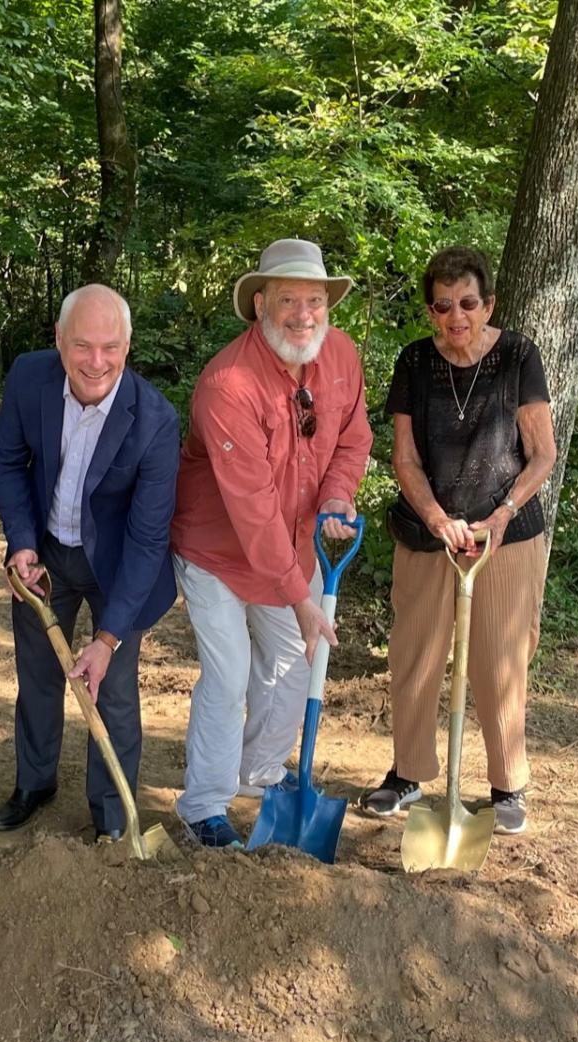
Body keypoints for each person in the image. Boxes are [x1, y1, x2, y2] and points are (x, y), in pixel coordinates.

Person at [171, 239, 372, 848]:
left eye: (315, 299)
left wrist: (338, 496)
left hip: (292, 547)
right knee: (229, 677)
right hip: (217, 552)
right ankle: (203, 805)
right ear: (261, 303)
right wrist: (302, 598)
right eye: (288, 299)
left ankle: (257, 771)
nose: (303, 314)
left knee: (293, 666)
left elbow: (352, 440)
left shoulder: (339, 356)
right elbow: (252, 511)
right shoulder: (228, 384)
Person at [361, 245, 556, 835]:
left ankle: (506, 786)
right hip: (428, 533)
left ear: (488, 303)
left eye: (468, 303)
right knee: (414, 655)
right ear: (430, 311)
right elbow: (405, 457)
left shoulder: (519, 355)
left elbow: (542, 454)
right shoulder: (415, 362)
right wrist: (437, 517)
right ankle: (408, 773)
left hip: (507, 533)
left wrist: (499, 514)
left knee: (500, 657)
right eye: (443, 306)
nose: (456, 316)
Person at [0, 284, 179, 841]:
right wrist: (22, 541)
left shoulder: (155, 422)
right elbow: (6, 460)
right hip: (45, 553)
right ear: (59, 341)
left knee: (111, 688)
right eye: (83, 346)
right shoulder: (29, 377)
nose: (97, 362)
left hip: (118, 567)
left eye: (111, 347)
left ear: (128, 345)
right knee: (38, 675)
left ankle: (112, 813)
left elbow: (147, 541)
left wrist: (109, 637)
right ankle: (34, 783)